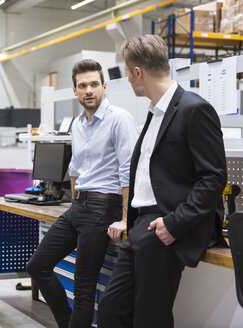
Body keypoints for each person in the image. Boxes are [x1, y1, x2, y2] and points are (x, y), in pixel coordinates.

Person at [98, 34, 227, 328]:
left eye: (129, 74)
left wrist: (174, 223)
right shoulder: (154, 113)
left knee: (150, 318)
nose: (129, 81)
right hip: (141, 226)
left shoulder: (195, 109)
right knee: (110, 311)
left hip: (165, 225)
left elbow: (213, 177)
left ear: (137, 73)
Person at [26, 59, 138, 328]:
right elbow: (75, 167)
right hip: (79, 207)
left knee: (83, 287)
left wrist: (125, 219)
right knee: (37, 266)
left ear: (104, 86)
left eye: (94, 84)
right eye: (83, 86)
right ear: (75, 90)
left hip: (104, 207)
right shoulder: (77, 124)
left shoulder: (119, 119)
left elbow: (129, 172)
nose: (89, 90)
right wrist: (75, 201)